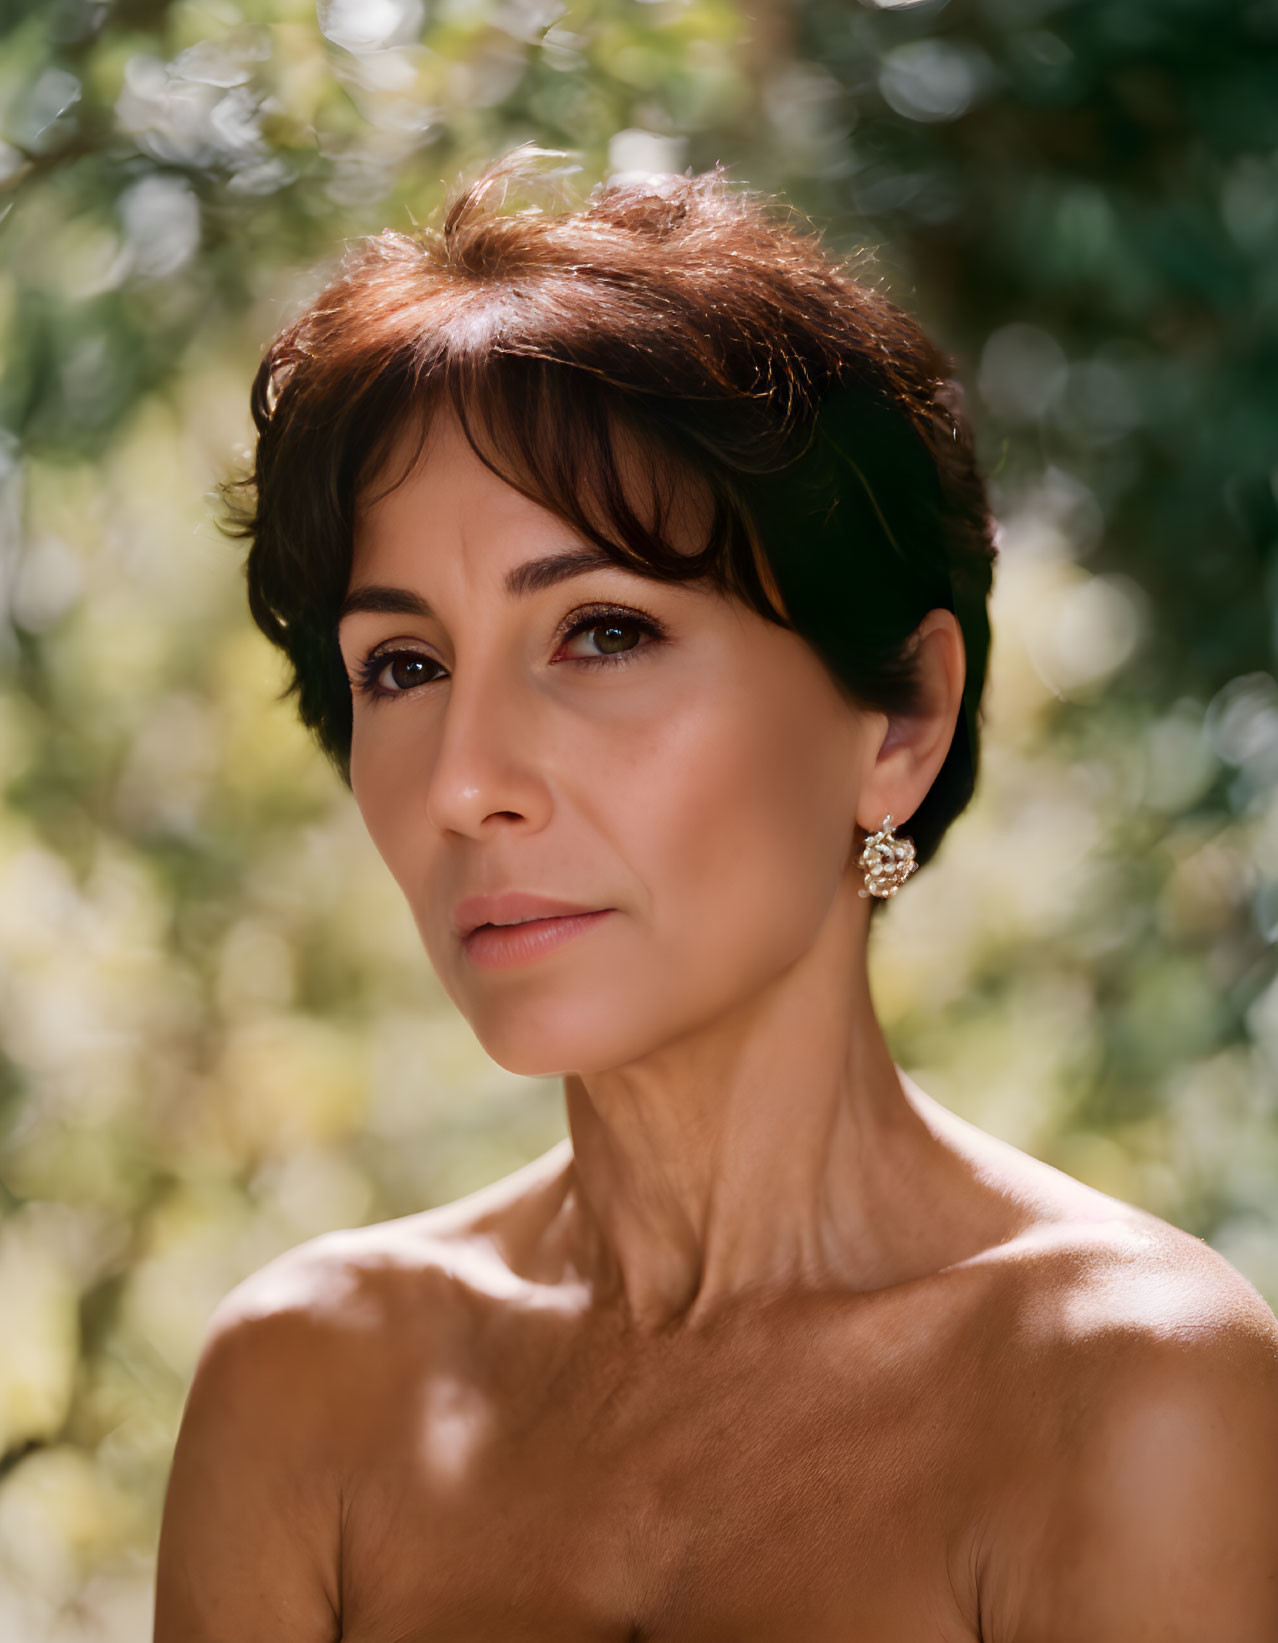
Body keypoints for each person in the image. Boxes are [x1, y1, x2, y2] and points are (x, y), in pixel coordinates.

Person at [154, 145, 1278, 1642]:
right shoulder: (307, 1386)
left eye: (603, 632)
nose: (462, 780)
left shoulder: (1127, 1388)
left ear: (899, 722)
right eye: (403, 667)